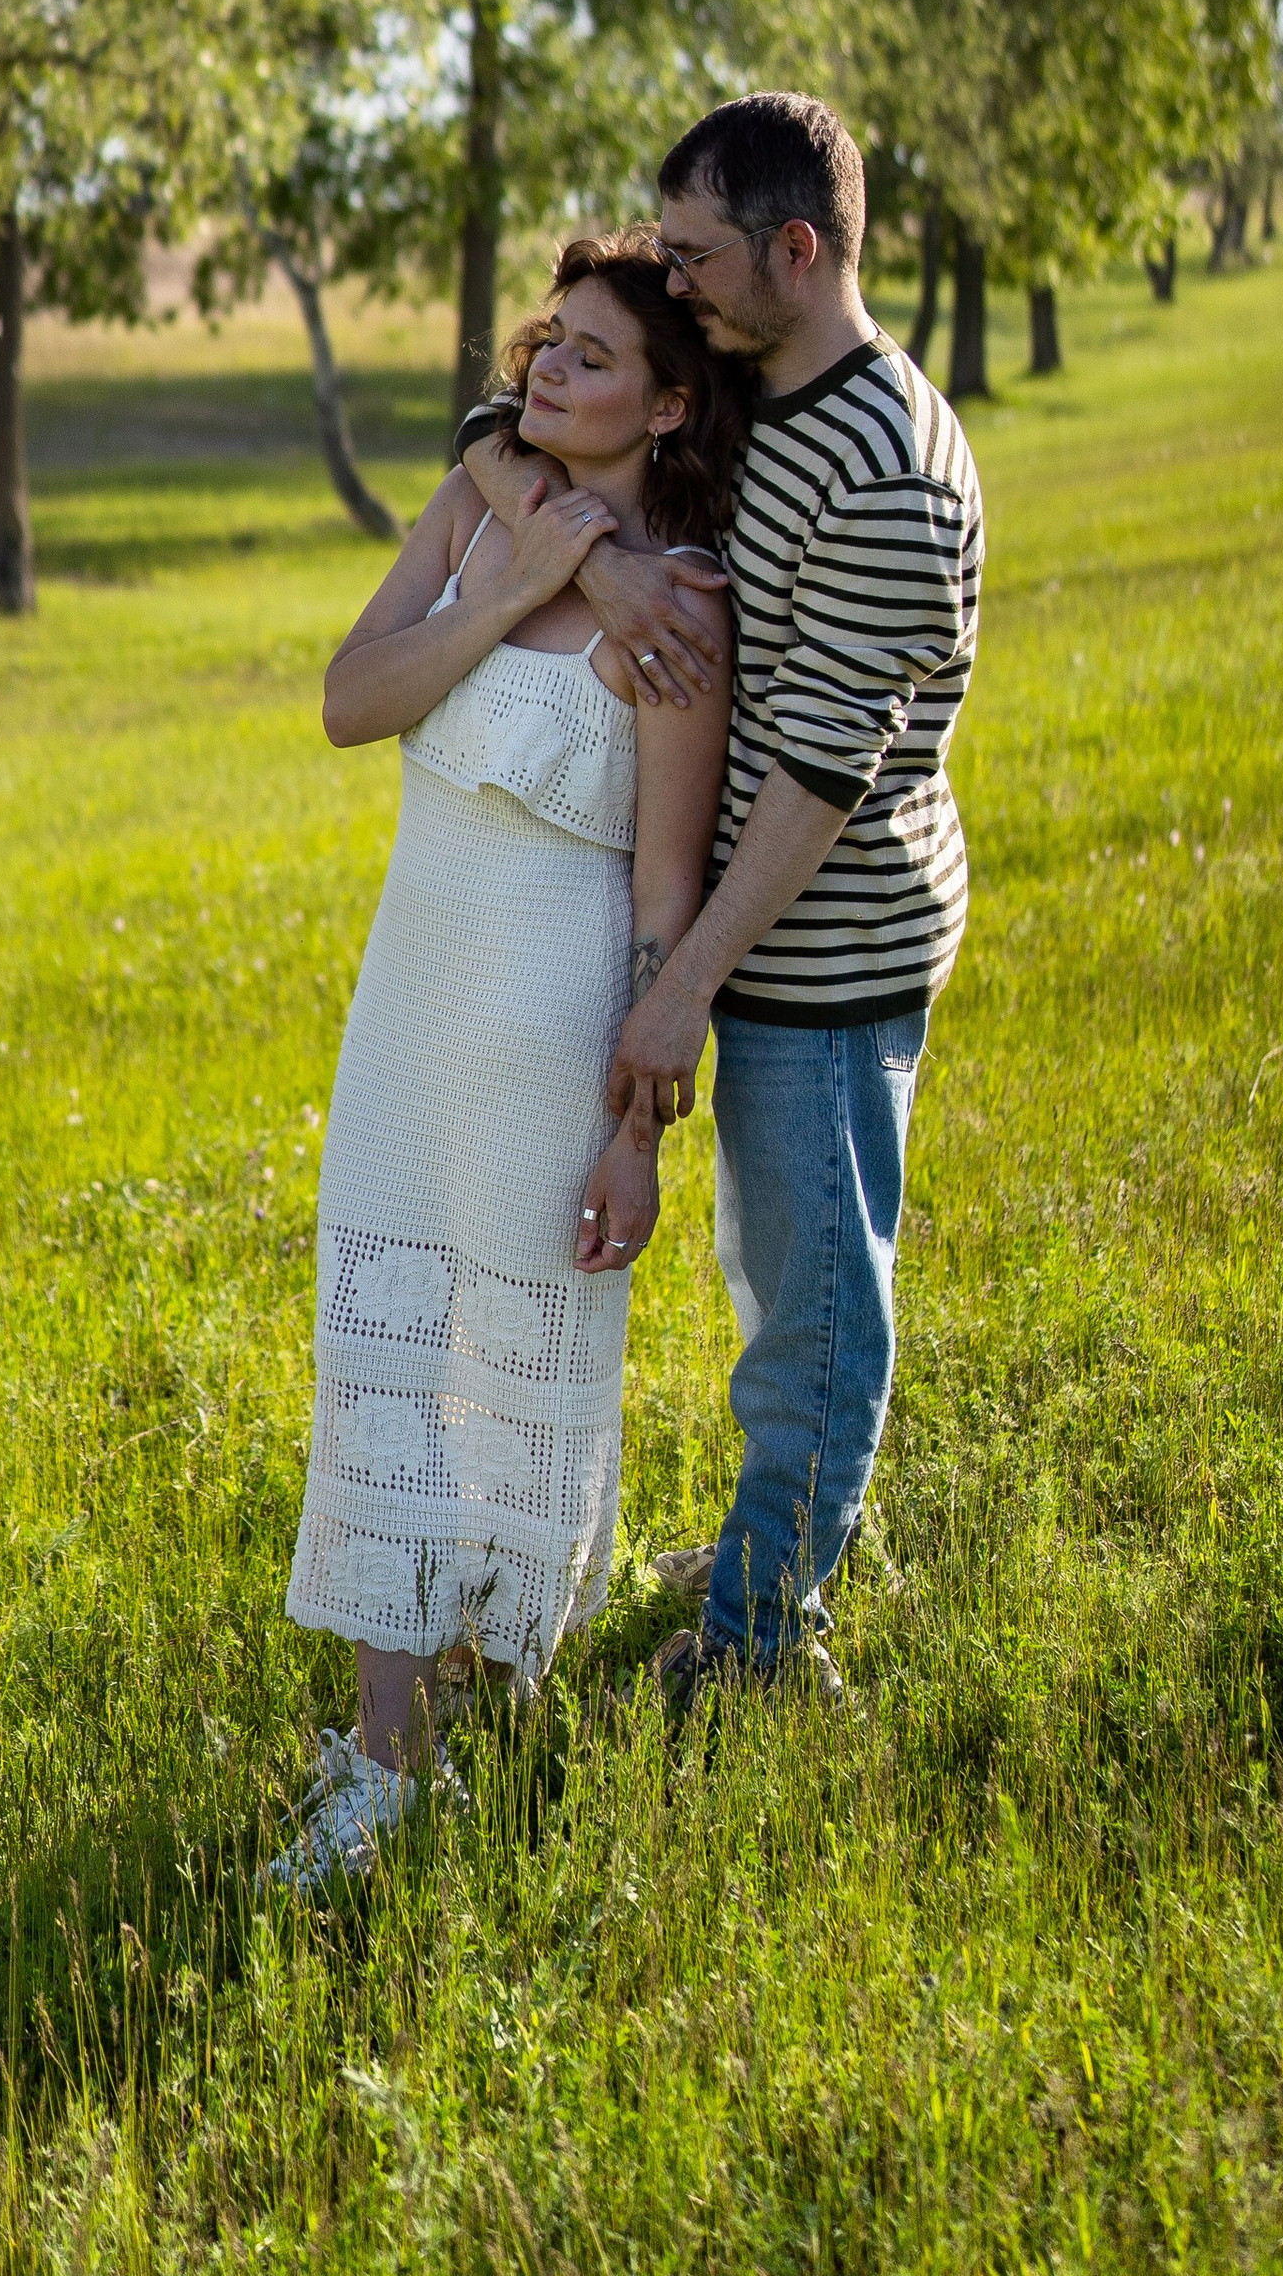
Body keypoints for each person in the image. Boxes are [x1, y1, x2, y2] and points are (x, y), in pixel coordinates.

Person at [457, 92, 982, 1707]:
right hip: (757, 940)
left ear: (795, 251)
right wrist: (597, 564)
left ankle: (758, 1640)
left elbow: (823, 774)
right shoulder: (766, 392)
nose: (671, 284)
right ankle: (794, 1526)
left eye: (692, 256)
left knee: (818, 1309)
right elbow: (494, 431)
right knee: (776, 1270)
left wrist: (682, 981)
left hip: (820, 947)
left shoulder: (884, 464)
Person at [273, 236, 742, 1890]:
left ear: (672, 404)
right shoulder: (480, 510)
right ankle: (385, 1760)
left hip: (549, 1031)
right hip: (405, 1016)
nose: (546, 373)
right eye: (549, 347)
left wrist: (640, 1137)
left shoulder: (683, 604)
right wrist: (513, 587)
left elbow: (664, 899)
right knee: (383, 1354)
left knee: (511, 1365)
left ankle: (486, 1718)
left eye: (593, 361)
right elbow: (349, 699)